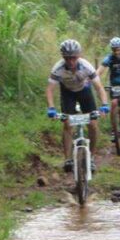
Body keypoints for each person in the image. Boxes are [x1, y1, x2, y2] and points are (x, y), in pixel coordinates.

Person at [45, 39, 110, 173]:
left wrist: (104, 104)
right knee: (67, 124)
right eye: (67, 58)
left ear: (79, 56)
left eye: (73, 58)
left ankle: (91, 158)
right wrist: (51, 108)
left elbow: (99, 88)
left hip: (85, 92)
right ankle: (68, 158)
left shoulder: (87, 66)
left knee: (93, 123)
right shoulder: (58, 68)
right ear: (63, 57)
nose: (71, 61)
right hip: (67, 93)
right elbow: (50, 89)